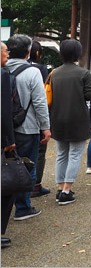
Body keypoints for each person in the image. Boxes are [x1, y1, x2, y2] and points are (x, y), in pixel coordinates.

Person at [6, 34, 51, 221]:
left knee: (6, 166)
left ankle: (6, 207)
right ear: (28, 52)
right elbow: (40, 102)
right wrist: (46, 127)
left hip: (6, 126)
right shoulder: (32, 72)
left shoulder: (3, 68)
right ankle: (23, 207)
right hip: (27, 125)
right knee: (26, 166)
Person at [48, 39, 91, 205]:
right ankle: (67, 191)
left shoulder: (54, 73)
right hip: (78, 118)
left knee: (61, 154)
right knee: (75, 154)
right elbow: (89, 95)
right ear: (78, 53)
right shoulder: (83, 73)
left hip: (57, 118)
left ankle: (60, 188)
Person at [28, 41, 52, 199]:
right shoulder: (40, 69)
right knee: (38, 151)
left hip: (13, 118)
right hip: (34, 118)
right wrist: (46, 125)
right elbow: (41, 98)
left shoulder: (7, 67)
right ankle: (34, 186)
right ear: (37, 53)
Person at [2, 42, 16, 247]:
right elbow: (4, 111)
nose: (8, 54)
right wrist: (9, 140)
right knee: (6, 186)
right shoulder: (2, 76)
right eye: (5, 51)